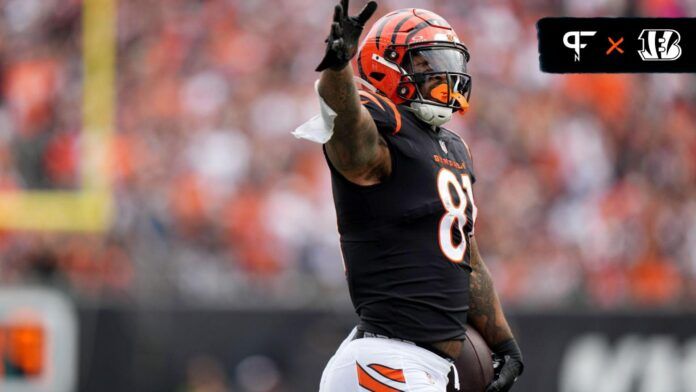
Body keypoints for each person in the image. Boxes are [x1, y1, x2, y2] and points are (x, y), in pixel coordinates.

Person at [293, 1, 523, 390]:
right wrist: (338, 68)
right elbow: (351, 138)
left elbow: (465, 255)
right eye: (425, 63)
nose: (442, 74)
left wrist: (503, 341)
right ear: (387, 66)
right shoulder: (381, 125)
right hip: (385, 360)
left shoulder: (452, 148)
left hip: (420, 365)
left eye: (444, 61)